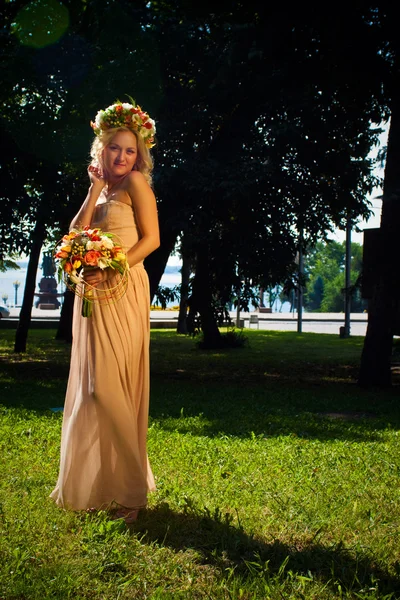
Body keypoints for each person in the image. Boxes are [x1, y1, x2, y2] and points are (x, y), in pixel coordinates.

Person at [50, 102, 160, 523]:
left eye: (130, 151)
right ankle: (102, 488)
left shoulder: (135, 183)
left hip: (125, 287)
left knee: (109, 389)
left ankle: (131, 493)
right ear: (102, 148)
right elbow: (74, 236)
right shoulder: (104, 189)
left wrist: (112, 268)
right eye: (115, 148)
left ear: (138, 156)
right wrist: (93, 191)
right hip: (91, 295)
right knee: (91, 389)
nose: (122, 157)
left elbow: (151, 240)